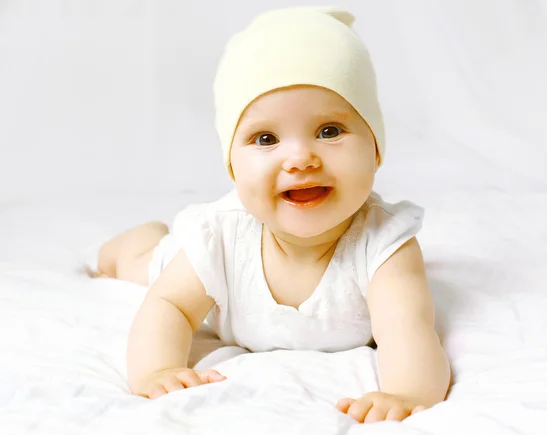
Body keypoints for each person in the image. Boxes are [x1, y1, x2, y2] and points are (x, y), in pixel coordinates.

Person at [95, 6, 450, 424]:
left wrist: (407, 391)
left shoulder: (384, 244)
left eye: (329, 131)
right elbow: (169, 305)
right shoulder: (220, 236)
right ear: (232, 165)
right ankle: (134, 242)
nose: (300, 158)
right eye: (266, 138)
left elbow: (407, 327)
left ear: (375, 147)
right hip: (195, 267)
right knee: (146, 264)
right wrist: (157, 369)